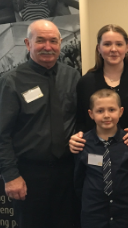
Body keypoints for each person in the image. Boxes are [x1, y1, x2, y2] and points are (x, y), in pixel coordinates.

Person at [0, 19, 80, 227]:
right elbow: (2, 133)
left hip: (67, 173)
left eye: (53, 41)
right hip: (29, 174)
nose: (48, 47)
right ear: (28, 44)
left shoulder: (72, 76)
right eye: (41, 41)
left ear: (60, 43)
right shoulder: (12, 81)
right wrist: (11, 176)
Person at [68, 24, 128, 227]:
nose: (113, 49)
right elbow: (80, 120)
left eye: (119, 44)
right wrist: (76, 137)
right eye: (107, 44)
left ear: (127, 47)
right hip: (95, 157)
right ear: (99, 48)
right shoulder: (86, 82)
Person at [75, 89, 128, 228]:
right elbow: (78, 179)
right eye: (100, 111)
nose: (106, 115)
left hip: (123, 211)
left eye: (111, 110)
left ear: (120, 112)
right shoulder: (83, 144)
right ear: (91, 114)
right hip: (93, 212)